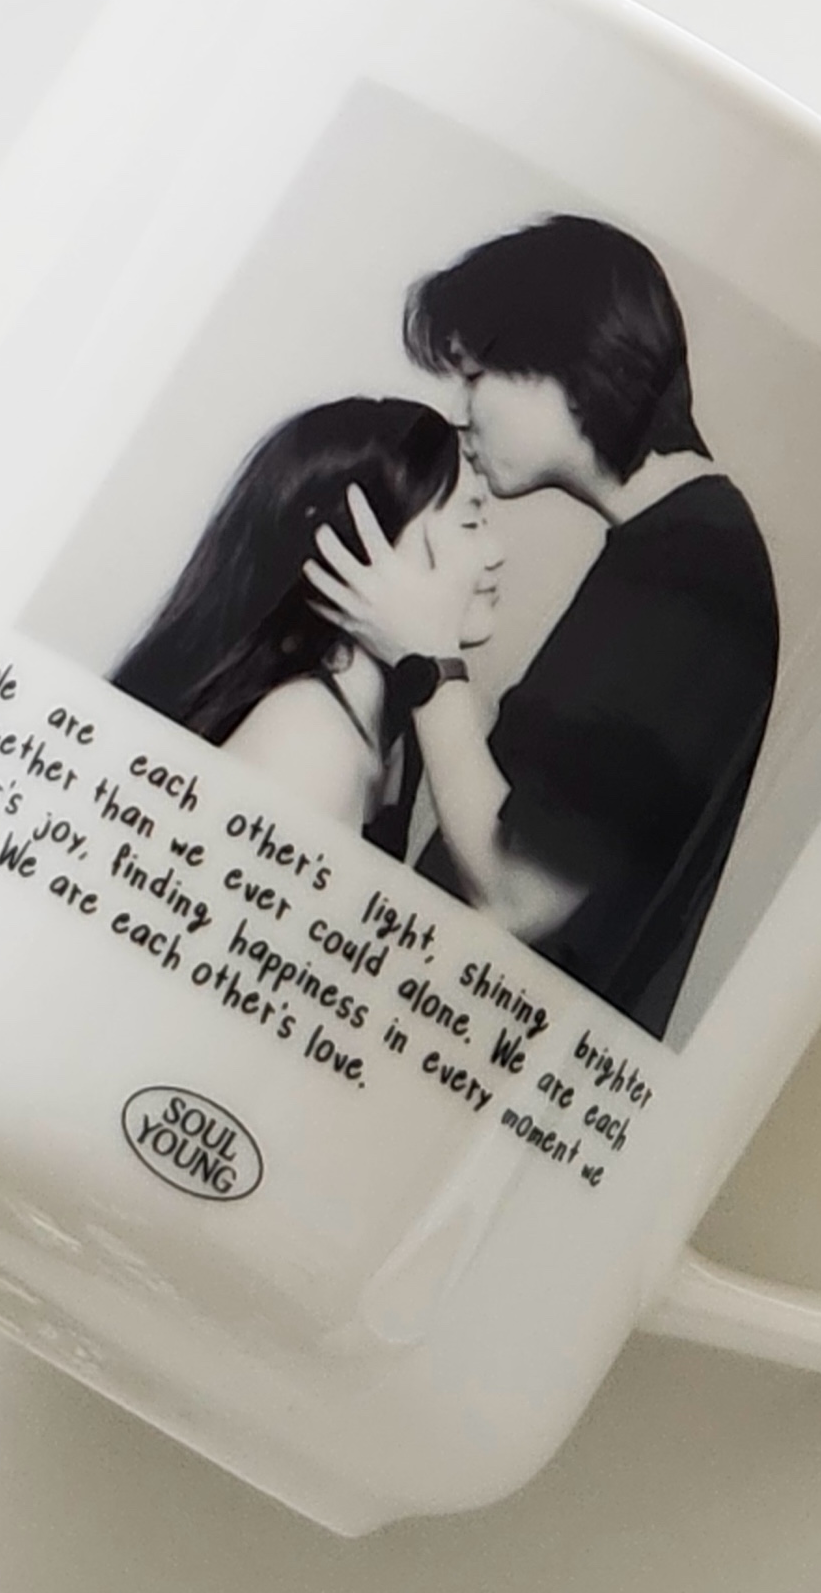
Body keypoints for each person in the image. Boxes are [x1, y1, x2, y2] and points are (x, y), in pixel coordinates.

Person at [306, 216, 779, 1041]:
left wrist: (425, 658)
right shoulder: (671, 548)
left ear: (564, 368)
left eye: (474, 374)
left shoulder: (697, 572)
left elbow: (518, 897)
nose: (461, 414)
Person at [112, 398, 502, 852]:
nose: (495, 553)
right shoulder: (309, 738)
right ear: (360, 545)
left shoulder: (392, 724)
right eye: (471, 523)